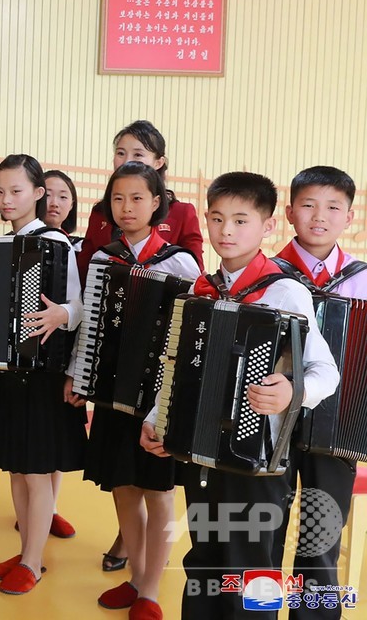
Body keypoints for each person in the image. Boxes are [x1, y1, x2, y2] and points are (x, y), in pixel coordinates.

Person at [140, 172, 339, 620]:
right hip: (201, 456)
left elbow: (326, 371)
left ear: (268, 226)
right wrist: (157, 417)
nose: (226, 230)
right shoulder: (201, 289)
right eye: (216, 218)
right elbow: (178, 366)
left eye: (240, 220)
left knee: (251, 575)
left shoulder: (285, 291)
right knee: (203, 564)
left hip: (258, 463)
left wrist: (293, 391)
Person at [64, 163, 200, 616]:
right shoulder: (105, 259)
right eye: (118, 198)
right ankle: (136, 577)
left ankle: (151, 591)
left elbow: (190, 336)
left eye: (137, 198)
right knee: (123, 486)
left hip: (159, 398)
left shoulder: (181, 262)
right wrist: (79, 374)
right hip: (111, 390)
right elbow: (90, 325)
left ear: (157, 203)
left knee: (159, 494)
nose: (126, 207)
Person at [0, 155, 86, 595]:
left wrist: (62, 314)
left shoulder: (57, 243)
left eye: (16, 191)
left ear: (38, 193)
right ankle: (25, 551)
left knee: (36, 472)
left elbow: (79, 307)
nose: (6, 199)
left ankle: (33, 562)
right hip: (6, 375)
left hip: (43, 375)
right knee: (16, 471)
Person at [271, 166, 366, 620]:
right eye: (308, 205)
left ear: (350, 216)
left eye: (333, 207)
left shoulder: (362, 280)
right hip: (270, 425)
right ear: (290, 212)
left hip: (338, 429)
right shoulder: (268, 275)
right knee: (263, 536)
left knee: (322, 542)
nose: (319, 216)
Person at [77, 120, 203, 279]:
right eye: (120, 153)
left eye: (137, 154)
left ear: (158, 162)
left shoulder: (182, 213)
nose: (127, 161)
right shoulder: (100, 212)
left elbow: (193, 275)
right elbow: (84, 271)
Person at [40, 168, 82, 539]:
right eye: (49, 194)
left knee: (54, 437)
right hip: (34, 354)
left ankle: (50, 508)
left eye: (63, 196)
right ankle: (37, 510)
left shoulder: (80, 248)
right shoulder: (24, 241)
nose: (54, 202)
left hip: (67, 353)